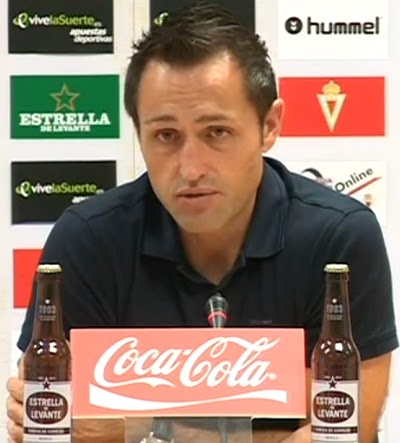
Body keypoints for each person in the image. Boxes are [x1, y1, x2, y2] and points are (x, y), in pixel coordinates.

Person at [6, 2, 398, 442]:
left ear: (269, 126)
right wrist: (276, 413)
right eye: (166, 136)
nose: (190, 168)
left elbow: (347, 429)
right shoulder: (87, 238)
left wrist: (146, 420)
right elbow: (46, 422)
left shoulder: (340, 237)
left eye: (217, 132)